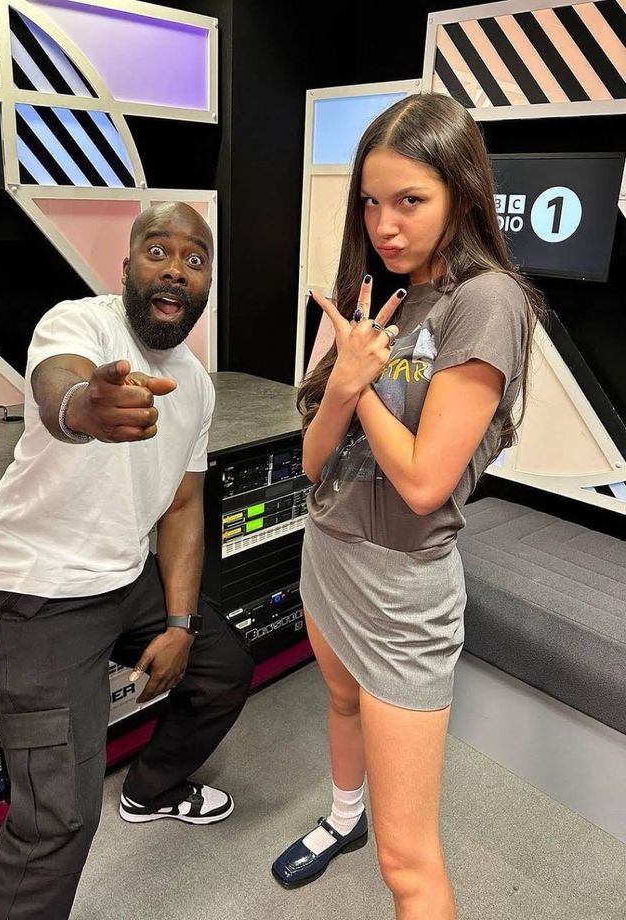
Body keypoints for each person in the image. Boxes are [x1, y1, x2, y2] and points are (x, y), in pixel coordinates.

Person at [272, 93, 544, 920]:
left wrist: (358, 392)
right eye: (371, 201)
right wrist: (343, 388)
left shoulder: (485, 300)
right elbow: (315, 463)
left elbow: (425, 483)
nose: (385, 224)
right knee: (340, 701)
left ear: (461, 193)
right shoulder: (372, 297)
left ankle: (370, 832)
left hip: (401, 588)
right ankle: (339, 818)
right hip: (330, 551)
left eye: (409, 201)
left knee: (410, 862)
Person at [0, 202, 254, 920]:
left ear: (206, 283)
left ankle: (151, 789)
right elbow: (58, 385)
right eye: (159, 252)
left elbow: (183, 508)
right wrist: (86, 409)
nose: (177, 269)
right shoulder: (79, 325)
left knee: (224, 669)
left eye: (195, 259)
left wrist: (181, 624)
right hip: (32, 589)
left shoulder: (197, 385)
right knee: (56, 822)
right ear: (126, 268)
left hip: (122, 580)